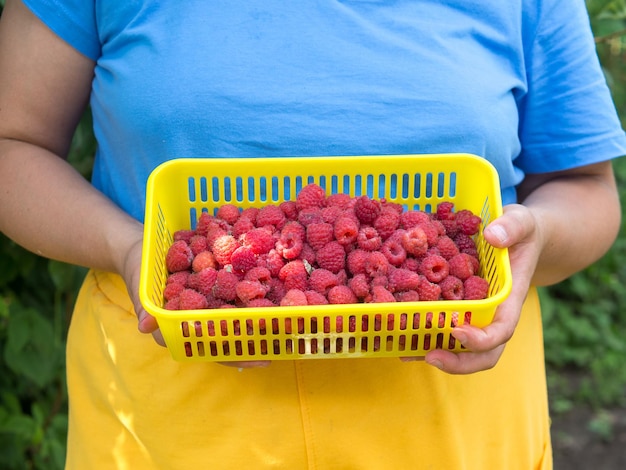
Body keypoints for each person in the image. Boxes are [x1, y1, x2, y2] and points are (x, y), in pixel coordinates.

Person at [0, 0, 624, 468]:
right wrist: (128, 246)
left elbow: (587, 188)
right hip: (171, 409)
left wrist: (536, 232)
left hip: (451, 412)